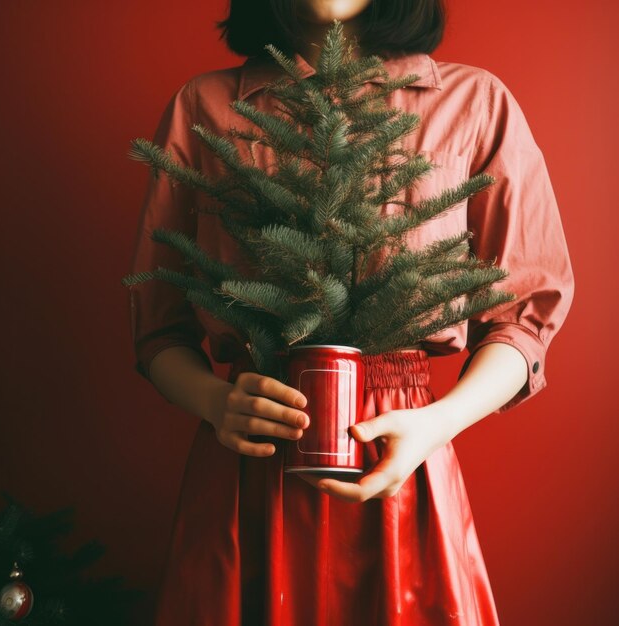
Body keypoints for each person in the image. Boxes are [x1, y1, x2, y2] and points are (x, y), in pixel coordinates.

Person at [127, 1, 574, 624]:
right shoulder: (204, 108)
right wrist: (212, 400)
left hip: (403, 462)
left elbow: (524, 315)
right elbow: (159, 327)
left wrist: (436, 425)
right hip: (249, 472)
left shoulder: (476, 103)